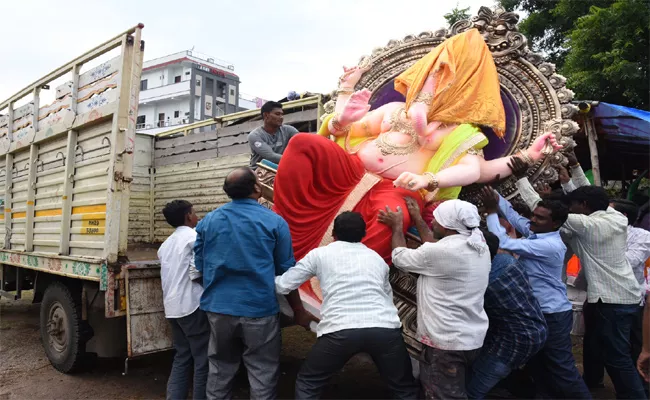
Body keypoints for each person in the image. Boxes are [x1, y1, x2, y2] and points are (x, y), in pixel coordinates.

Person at [514, 164, 646, 399]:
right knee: (607, 352)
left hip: (611, 299)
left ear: (583, 208)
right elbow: (593, 194)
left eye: (572, 205)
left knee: (617, 358)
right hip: (621, 297)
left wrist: (521, 179)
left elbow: (543, 210)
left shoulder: (587, 224)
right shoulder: (613, 216)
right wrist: (573, 170)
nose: (569, 207)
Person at [194, 167, 318, 400]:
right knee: (262, 371)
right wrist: (298, 310)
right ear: (257, 188)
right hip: (259, 309)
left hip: (218, 309)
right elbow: (286, 272)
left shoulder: (208, 221)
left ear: (227, 192)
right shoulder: (274, 222)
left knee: (220, 368)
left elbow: (199, 265)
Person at [275, 211, 418, 399]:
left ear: (333, 233)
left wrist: (257, 277)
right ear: (364, 234)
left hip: (340, 330)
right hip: (384, 330)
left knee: (309, 382)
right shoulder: (376, 258)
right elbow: (386, 296)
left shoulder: (320, 254)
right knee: (404, 387)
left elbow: (284, 284)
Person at [479, 184, 591, 399]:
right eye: (533, 215)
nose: (532, 220)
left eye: (540, 218)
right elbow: (512, 215)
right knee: (538, 366)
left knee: (561, 367)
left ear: (555, 224)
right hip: (540, 311)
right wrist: (494, 193)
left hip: (553, 314)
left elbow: (501, 242)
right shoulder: (536, 233)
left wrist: (492, 211)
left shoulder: (550, 245)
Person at [379, 199, 490, 400]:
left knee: (442, 396)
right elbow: (435, 249)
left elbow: (400, 258)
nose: (433, 224)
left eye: (436, 221)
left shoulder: (442, 252)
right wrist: (418, 219)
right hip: (469, 337)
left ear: (448, 227)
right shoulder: (477, 243)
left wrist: (396, 227)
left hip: (446, 343)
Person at [465, 230, 547, 399]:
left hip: (515, 340)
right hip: (535, 328)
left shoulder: (486, 282)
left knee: (473, 390)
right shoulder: (506, 260)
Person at [158, 200, 209, 400]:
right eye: (194, 212)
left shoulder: (165, 245)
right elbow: (197, 271)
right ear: (188, 216)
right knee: (202, 360)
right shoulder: (194, 237)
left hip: (172, 308)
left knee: (182, 356)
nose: (197, 216)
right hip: (192, 306)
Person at [248, 101, 299, 168]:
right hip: (261, 171)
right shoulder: (255, 135)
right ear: (266, 115)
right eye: (277, 114)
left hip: (282, 168)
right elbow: (270, 156)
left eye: (282, 114)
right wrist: (296, 160)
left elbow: (302, 142)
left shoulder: (289, 130)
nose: (281, 117)